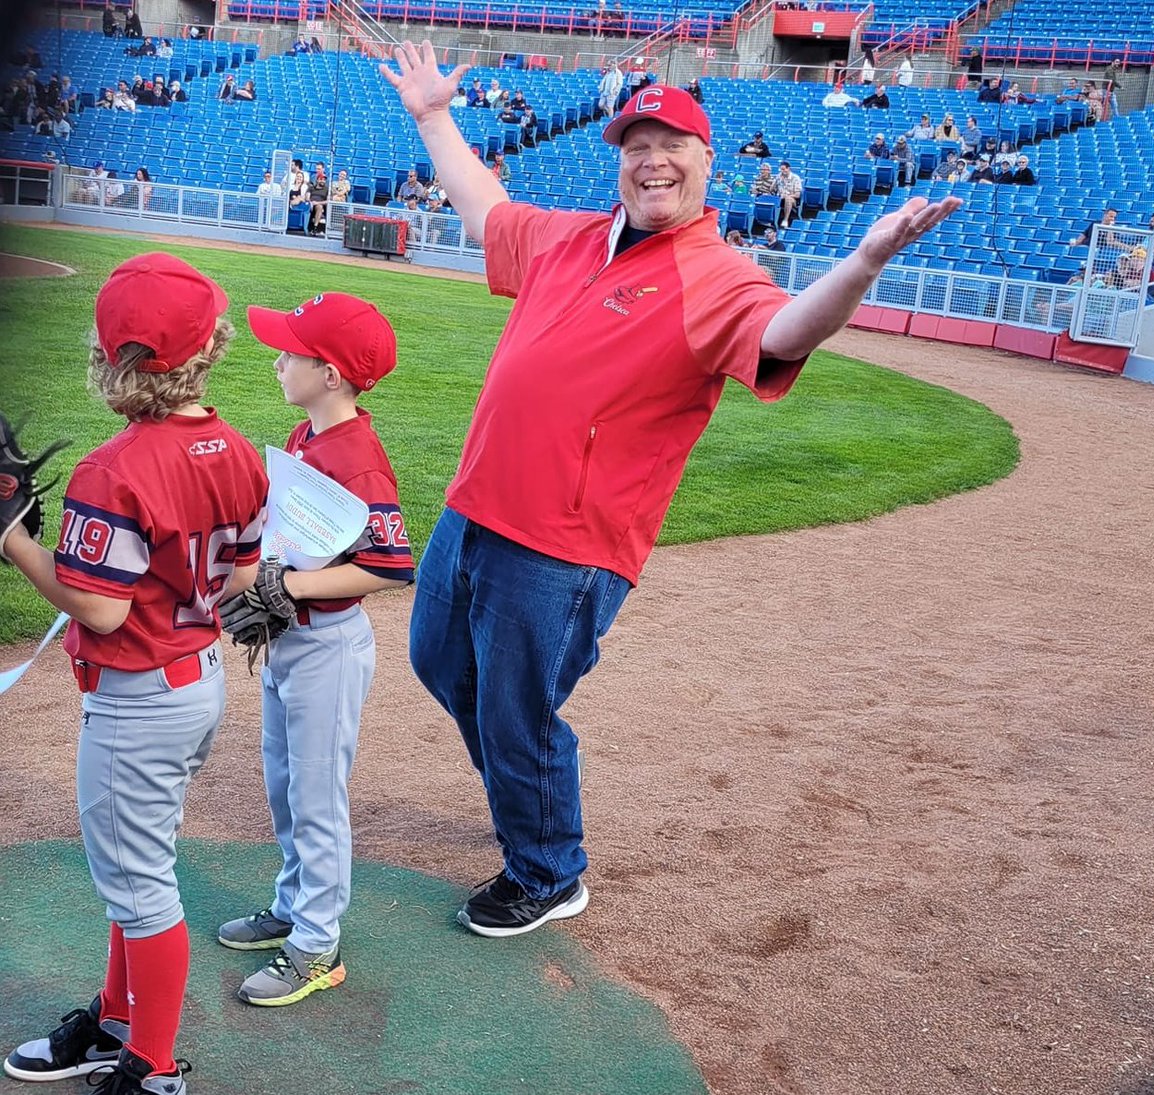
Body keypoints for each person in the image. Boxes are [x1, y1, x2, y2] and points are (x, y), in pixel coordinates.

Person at [380, 43, 958, 938]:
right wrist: (432, 117)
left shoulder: (714, 272)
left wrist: (861, 266)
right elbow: (487, 208)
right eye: (636, 145)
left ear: (705, 160)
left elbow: (785, 329)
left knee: (516, 706)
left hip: (566, 540)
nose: (653, 160)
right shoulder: (574, 238)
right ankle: (522, 789)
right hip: (476, 504)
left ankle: (548, 869)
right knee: (439, 661)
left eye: (672, 145)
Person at [1, 253, 268, 1093]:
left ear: (111, 357)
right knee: (136, 868)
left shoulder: (114, 467)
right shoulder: (239, 449)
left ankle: (151, 1066)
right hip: (195, 680)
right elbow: (240, 577)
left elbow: (100, 608)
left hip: (138, 699)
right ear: (210, 347)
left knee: (141, 885)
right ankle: (117, 1018)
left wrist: (13, 539)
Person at [217, 293, 414, 1005]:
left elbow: (390, 566)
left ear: (330, 375)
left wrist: (290, 585)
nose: (277, 361)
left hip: (328, 647)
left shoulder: (358, 460)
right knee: (283, 785)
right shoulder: (308, 435)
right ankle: (293, 905)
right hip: (291, 642)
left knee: (316, 797)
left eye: (291, 352)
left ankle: (316, 945)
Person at [775, 160, 802, 227]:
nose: (782, 171)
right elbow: (772, 189)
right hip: (779, 198)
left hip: (792, 199)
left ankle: (785, 220)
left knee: (788, 199)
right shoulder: (779, 177)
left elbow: (797, 195)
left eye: (783, 169)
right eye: (781, 169)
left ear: (788, 168)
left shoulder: (795, 178)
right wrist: (776, 180)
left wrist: (786, 196)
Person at [307, 161, 329, 233]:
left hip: (320, 204)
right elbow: (307, 195)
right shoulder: (312, 181)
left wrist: (317, 203)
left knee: (320, 207)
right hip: (310, 203)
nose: (317, 170)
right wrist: (310, 202)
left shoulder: (327, 187)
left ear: (323, 169)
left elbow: (328, 200)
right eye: (316, 169)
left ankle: (315, 228)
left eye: (319, 169)